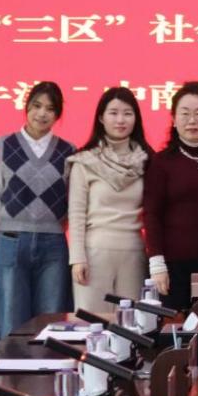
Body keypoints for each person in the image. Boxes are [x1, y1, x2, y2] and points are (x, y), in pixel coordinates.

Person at [0, 81, 75, 338]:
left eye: (50, 108)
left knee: (51, 326)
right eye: (36, 106)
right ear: (26, 107)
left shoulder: (68, 152)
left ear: (57, 115)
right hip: (11, 242)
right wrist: (1, 241)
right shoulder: (2, 145)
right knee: (11, 326)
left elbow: (72, 203)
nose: (42, 113)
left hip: (53, 246)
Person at [144, 81, 198, 310]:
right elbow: (151, 214)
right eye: (185, 113)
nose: (192, 120)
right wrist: (157, 263)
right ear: (174, 119)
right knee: (173, 324)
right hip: (172, 265)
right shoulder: (161, 162)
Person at [67, 86, 152, 312]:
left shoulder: (147, 161)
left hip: (134, 253)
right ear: (101, 118)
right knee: (92, 322)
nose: (120, 120)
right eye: (113, 113)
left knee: (132, 324)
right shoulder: (85, 161)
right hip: (94, 254)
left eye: (127, 113)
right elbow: (76, 214)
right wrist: (77, 258)